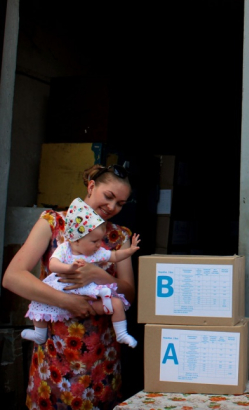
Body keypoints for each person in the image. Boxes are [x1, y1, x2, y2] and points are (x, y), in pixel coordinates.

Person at [2, 163, 137, 410]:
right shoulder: (53, 223)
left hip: (101, 360)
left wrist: (98, 274)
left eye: (120, 203)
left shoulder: (120, 237)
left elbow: (129, 293)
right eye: (108, 197)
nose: (112, 207)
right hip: (53, 356)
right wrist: (67, 301)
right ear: (91, 186)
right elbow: (12, 276)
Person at [21, 197, 140, 348]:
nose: (99, 245)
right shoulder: (65, 248)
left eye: (100, 240)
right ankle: (39, 334)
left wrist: (130, 251)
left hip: (88, 296)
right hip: (63, 292)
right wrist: (69, 268)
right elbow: (53, 264)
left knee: (117, 303)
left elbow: (115, 256)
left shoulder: (96, 252)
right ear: (76, 240)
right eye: (94, 241)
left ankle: (121, 333)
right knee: (38, 303)